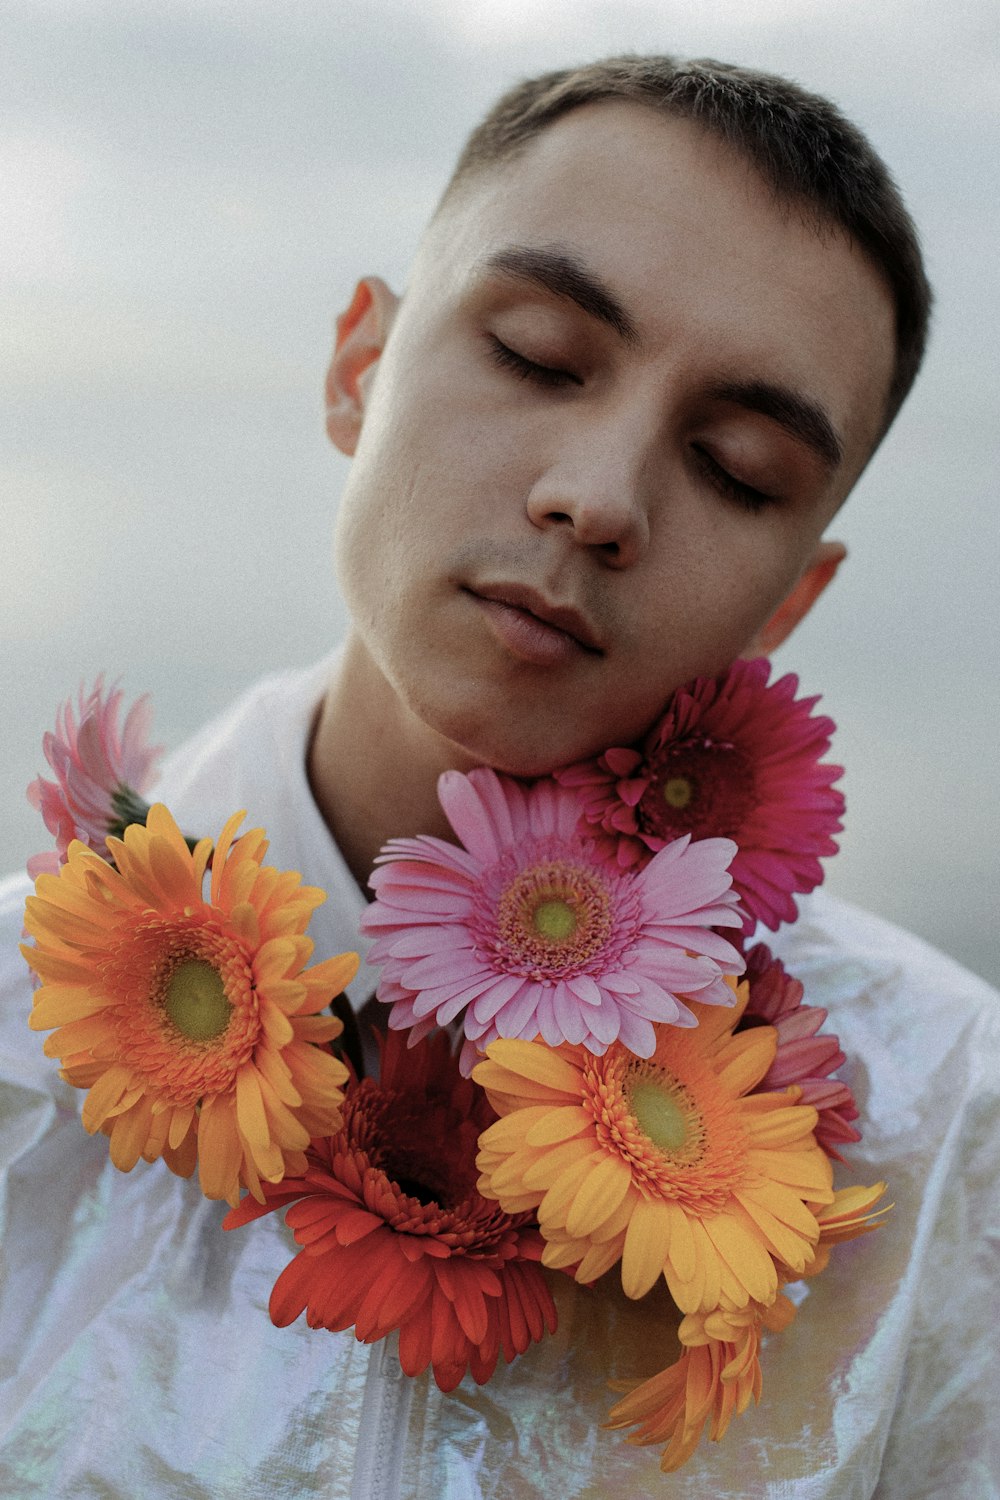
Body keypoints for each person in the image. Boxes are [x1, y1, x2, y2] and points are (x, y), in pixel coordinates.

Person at [0, 54, 996, 1500]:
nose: (597, 497)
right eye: (535, 354)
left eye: (733, 466)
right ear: (359, 368)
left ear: (792, 603)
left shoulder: (935, 1119)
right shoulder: (24, 1041)